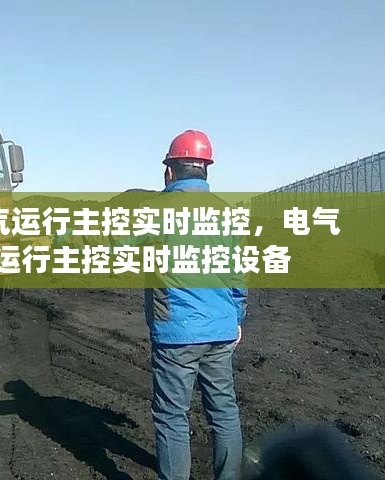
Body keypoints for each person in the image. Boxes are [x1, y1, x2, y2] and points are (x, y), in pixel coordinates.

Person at [148, 129, 246, 480]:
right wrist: (236, 317)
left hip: (177, 333)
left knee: (172, 415)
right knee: (224, 411)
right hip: (221, 329)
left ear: (169, 170)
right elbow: (236, 273)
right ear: (205, 169)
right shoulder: (225, 213)